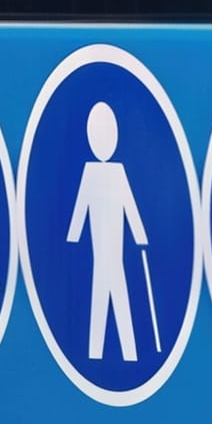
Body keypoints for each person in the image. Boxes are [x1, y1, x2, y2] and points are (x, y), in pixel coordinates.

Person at [66, 97, 151, 365]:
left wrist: (140, 235)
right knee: (103, 299)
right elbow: (81, 208)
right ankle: (104, 351)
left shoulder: (116, 173)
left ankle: (124, 351)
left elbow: (129, 206)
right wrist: (73, 235)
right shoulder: (92, 173)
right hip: (102, 254)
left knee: (112, 297)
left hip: (113, 254)